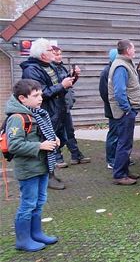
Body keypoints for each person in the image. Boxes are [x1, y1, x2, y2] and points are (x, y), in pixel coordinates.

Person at [7, 79, 60, 252]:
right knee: (28, 204)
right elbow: (14, 145)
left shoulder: (37, 114)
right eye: (35, 95)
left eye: (41, 94)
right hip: (28, 170)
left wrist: (53, 140)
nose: (40, 98)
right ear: (22, 98)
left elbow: (40, 134)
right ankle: (23, 240)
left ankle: (35, 233)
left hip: (41, 166)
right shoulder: (17, 118)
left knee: (39, 201)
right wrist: (40, 146)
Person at [20, 38, 73, 190]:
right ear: (43, 55)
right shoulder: (31, 70)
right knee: (47, 144)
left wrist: (71, 79)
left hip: (56, 109)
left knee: (57, 141)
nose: (54, 52)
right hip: (46, 111)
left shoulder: (49, 66)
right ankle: (47, 177)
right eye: (50, 50)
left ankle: (50, 173)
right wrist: (61, 86)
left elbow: (58, 85)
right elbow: (41, 93)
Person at [108, 39, 140, 185]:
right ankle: (119, 175)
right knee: (124, 143)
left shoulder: (124, 64)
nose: (135, 51)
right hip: (125, 113)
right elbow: (119, 91)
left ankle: (124, 170)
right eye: (133, 48)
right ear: (128, 50)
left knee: (126, 142)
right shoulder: (121, 66)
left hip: (127, 111)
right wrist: (127, 110)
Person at [51, 45, 90, 166]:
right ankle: (57, 158)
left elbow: (68, 83)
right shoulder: (50, 69)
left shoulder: (61, 67)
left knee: (69, 131)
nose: (59, 56)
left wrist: (74, 75)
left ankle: (75, 154)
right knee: (55, 132)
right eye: (56, 54)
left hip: (65, 104)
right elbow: (56, 87)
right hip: (54, 106)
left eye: (60, 54)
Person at [99, 48, 119, 169]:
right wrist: (113, 105)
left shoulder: (117, 69)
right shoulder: (107, 72)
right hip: (112, 109)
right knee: (113, 134)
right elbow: (104, 92)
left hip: (118, 109)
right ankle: (111, 160)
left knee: (120, 134)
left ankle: (119, 157)